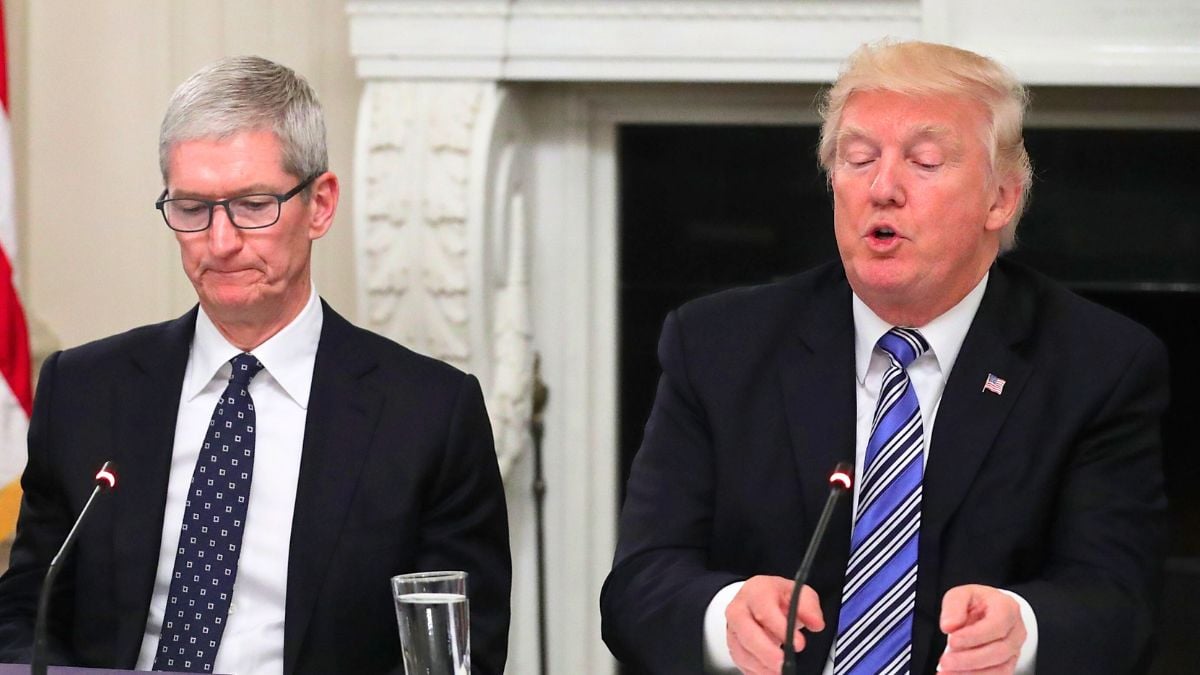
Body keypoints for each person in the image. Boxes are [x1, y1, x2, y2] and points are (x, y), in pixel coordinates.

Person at [600, 41, 1168, 675]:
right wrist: (724, 613)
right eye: (859, 158)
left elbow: (1119, 604)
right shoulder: (717, 346)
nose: (883, 188)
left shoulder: (1098, 366)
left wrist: (1025, 631)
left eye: (924, 161)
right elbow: (638, 587)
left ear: (1000, 199)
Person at [0, 56, 511, 674]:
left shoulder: (428, 415)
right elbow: (24, 615)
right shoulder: (82, 390)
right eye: (191, 208)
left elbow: (458, 655)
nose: (220, 241)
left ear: (319, 205)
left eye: (251, 205)